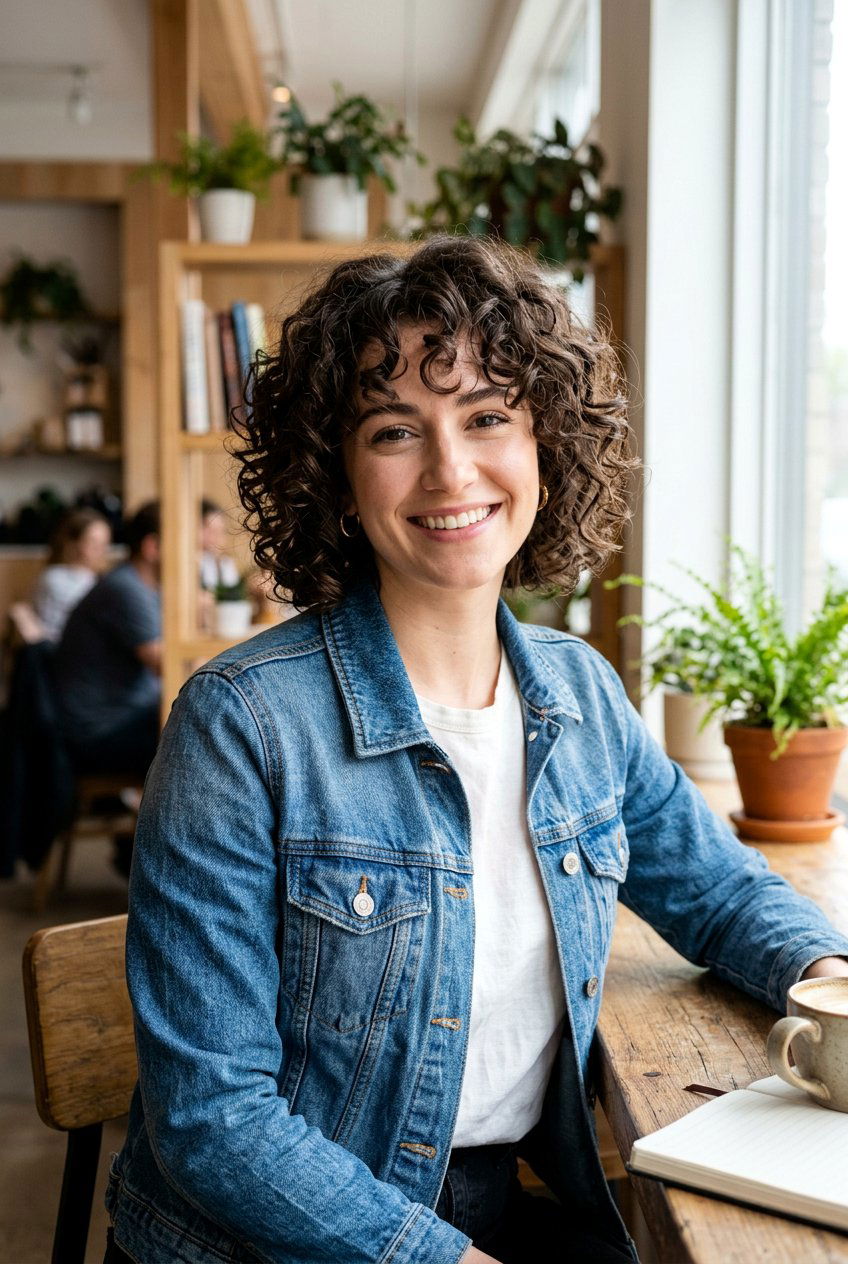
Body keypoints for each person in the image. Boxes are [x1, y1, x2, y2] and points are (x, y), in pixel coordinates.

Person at [104, 238, 848, 1264]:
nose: (450, 470)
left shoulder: (579, 694)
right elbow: (213, 1119)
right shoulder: (239, 724)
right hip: (276, 1241)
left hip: (491, 1206)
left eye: (488, 416)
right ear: (337, 474)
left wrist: (828, 974)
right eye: (394, 430)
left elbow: (717, 889)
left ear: (546, 444)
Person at [53, 500, 161, 780]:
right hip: (99, 733)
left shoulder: (141, 586)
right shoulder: (126, 589)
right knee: (199, 735)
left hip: (125, 717)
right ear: (152, 547)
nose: (195, 557)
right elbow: (167, 664)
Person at [29, 506, 111, 642]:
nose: (100, 550)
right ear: (74, 543)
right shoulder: (55, 578)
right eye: (92, 542)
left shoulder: (100, 578)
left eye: (104, 543)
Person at [199, 497, 241, 592]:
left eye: (221, 531)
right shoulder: (192, 561)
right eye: (211, 530)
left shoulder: (226, 564)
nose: (217, 537)